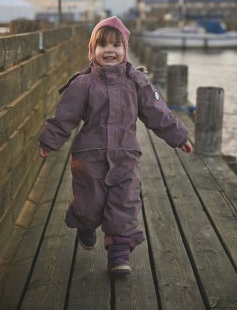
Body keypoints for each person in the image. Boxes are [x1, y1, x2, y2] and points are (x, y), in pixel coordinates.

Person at [39, 16, 192, 275]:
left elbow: (158, 113)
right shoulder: (83, 83)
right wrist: (50, 140)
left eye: (116, 45)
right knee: (90, 205)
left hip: (125, 157)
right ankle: (83, 221)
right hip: (89, 158)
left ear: (125, 50)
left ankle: (119, 254)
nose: (109, 50)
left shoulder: (137, 82)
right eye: (102, 45)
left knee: (125, 203)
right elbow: (65, 115)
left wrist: (179, 136)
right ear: (92, 51)